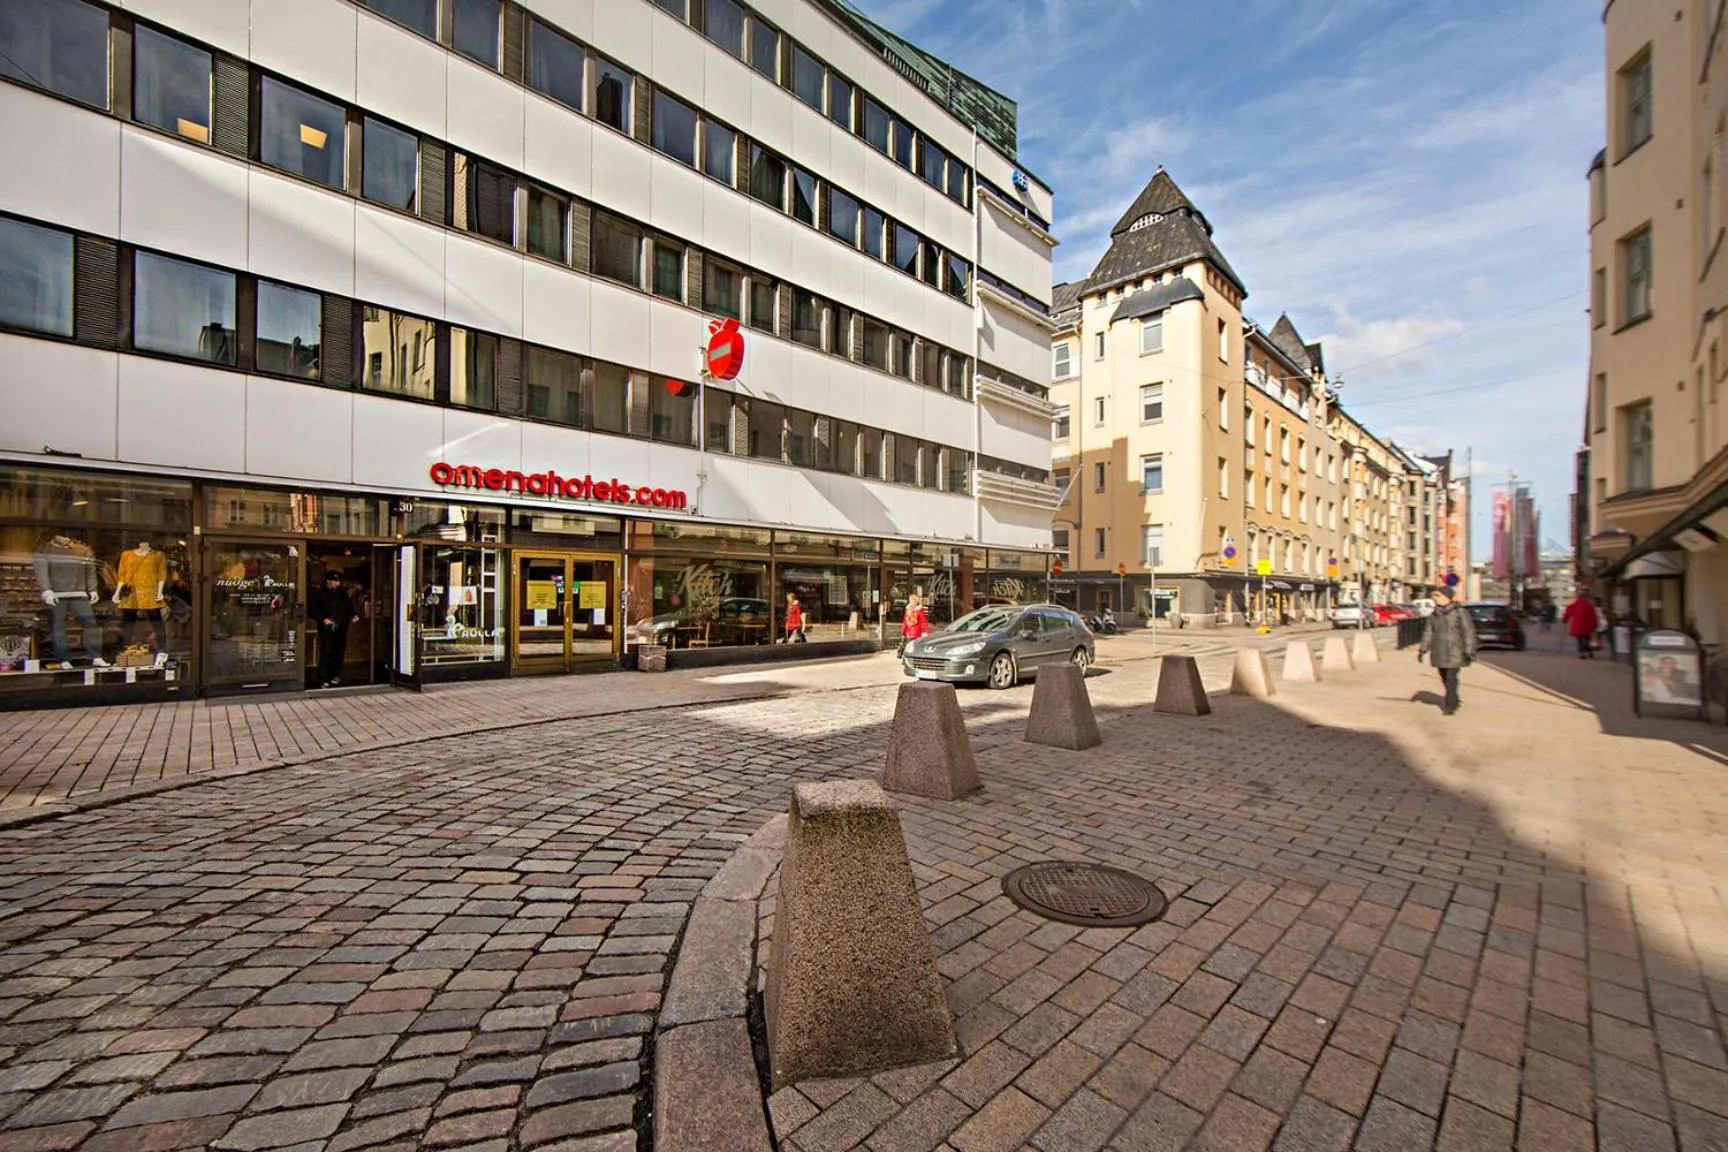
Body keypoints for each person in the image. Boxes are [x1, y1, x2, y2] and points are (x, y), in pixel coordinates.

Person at [1418, 588, 1478, 716]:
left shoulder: (1460, 612)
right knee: (1444, 676)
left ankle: (1450, 705)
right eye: (1435, 596)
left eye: (1438, 596)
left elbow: (1469, 632)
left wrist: (1469, 650)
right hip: (1439, 650)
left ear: (1447, 597)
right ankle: (1453, 698)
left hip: (1456, 650)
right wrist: (1423, 649)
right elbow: (1428, 633)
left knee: (1451, 677)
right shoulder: (1434, 614)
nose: (1435, 599)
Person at [309, 570, 358, 688]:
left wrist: (353, 615)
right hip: (327, 628)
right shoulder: (320, 593)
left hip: (341, 626)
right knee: (327, 651)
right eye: (335, 581)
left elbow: (349, 606)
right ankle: (324, 678)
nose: (338, 584)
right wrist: (323, 619)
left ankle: (335, 674)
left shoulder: (342, 593)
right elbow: (312, 610)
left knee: (339, 651)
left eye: (338, 581)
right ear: (328, 582)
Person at [1561, 592, 1599, 659]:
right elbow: (1594, 616)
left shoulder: (1574, 605)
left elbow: (1568, 612)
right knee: (1588, 638)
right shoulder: (1589, 606)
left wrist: (1565, 619)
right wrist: (1595, 625)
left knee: (1580, 640)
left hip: (1578, 625)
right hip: (1588, 625)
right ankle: (1589, 651)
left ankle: (1582, 653)